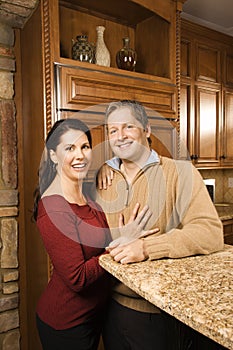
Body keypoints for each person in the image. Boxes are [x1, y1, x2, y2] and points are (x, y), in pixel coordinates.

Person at [95, 100, 224, 350]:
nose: (120, 136)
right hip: (109, 309)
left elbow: (210, 233)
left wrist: (147, 248)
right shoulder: (103, 179)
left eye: (128, 127)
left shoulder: (181, 173)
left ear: (147, 129)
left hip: (158, 312)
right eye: (112, 130)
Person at [33, 117, 156, 350]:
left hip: (93, 316)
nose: (80, 155)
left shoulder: (85, 193)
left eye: (85, 147)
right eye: (69, 148)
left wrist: (108, 167)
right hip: (66, 323)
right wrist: (122, 242)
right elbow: (78, 279)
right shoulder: (54, 208)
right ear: (52, 156)